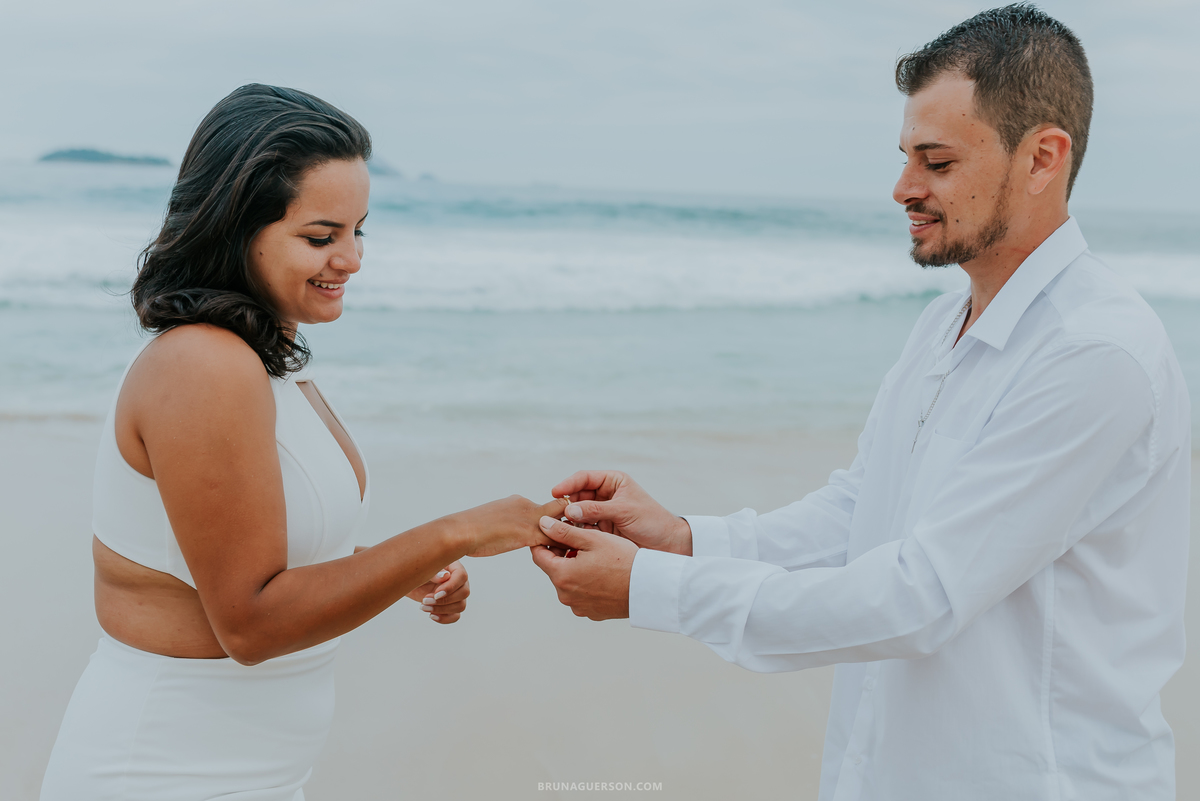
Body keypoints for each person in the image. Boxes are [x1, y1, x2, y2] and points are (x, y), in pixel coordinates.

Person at [531, 6, 1190, 800]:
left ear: (1042, 157)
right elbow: (862, 514)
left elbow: (922, 595)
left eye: (937, 162)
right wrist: (680, 540)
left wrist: (648, 588)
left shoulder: (1095, 351)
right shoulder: (942, 322)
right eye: (907, 157)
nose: (903, 188)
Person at [40, 84, 566, 801]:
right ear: (235, 227)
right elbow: (251, 623)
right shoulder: (203, 365)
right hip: (165, 769)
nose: (350, 259)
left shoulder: (262, 365)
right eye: (321, 237)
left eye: (359, 231)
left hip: (255, 768)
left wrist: (388, 570)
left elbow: (241, 554)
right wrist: (455, 534)